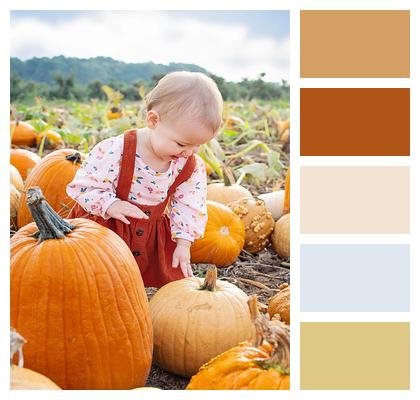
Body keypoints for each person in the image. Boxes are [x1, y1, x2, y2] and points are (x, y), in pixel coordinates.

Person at [67, 71, 223, 288]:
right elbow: (85, 186)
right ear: (153, 120)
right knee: (94, 279)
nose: (188, 152)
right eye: (181, 144)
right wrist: (110, 204)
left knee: (155, 286)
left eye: (198, 145)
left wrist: (184, 243)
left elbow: (190, 204)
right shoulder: (117, 150)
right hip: (108, 226)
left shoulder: (188, 165)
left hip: (149, 236)